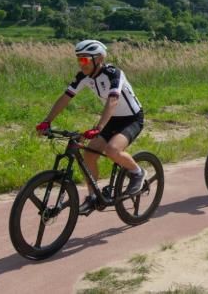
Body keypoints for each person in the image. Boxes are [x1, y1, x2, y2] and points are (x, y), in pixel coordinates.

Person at [36, 40, 145, 215]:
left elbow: (113, 100)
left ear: (99, 59)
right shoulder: (83, 77)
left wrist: (99, 127)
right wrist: (47, 121)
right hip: (112, 119)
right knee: (89, 154)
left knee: (112, 150)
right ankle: (93, 197)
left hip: (131, 119)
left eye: (85, 59)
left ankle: (137, 172)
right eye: (79, 59)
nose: (81, 64)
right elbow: (65, 98)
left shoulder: (113, 73)